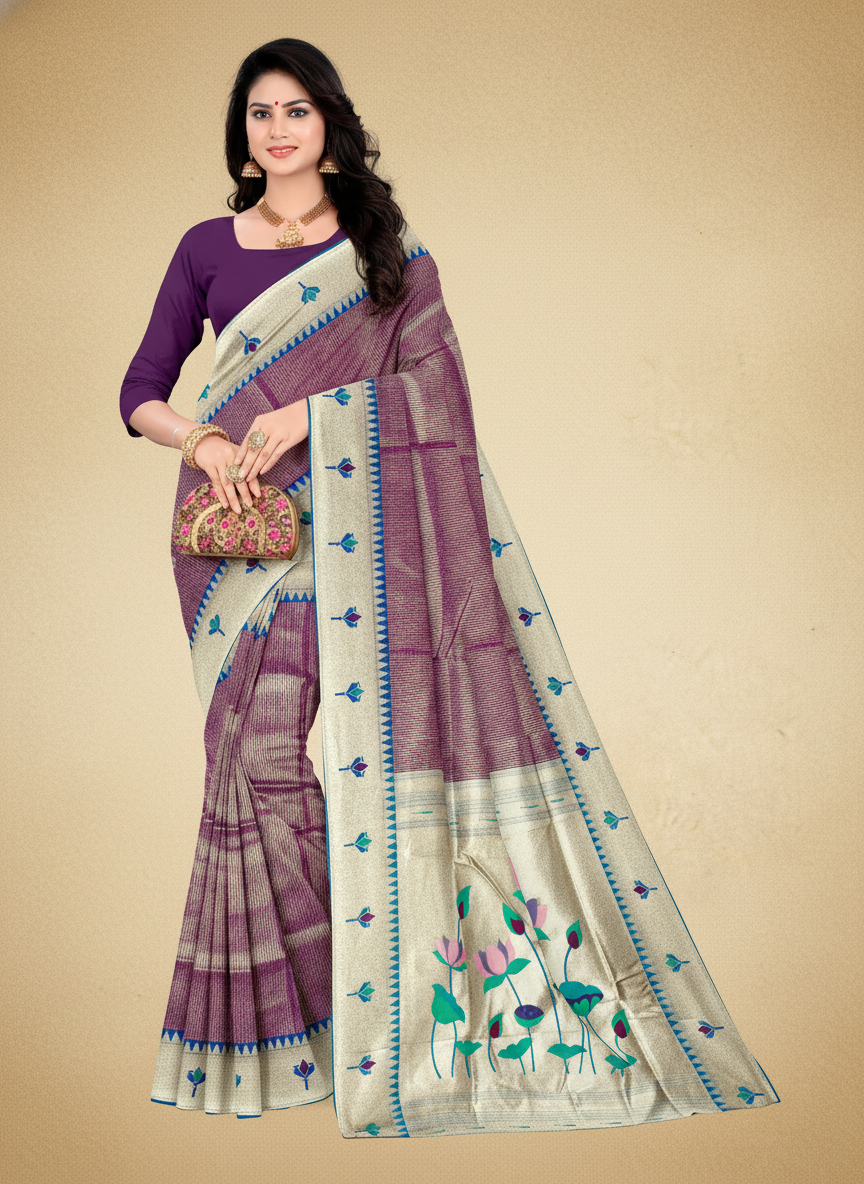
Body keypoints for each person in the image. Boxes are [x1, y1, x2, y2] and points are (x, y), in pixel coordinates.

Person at [122, 37, 779, 1138]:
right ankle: (323, 1018)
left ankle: (375, 1004)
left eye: (297, 111)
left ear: (330, 123)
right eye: (260, 114)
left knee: (275, 769)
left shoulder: (385, 251)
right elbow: (140, 388)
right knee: (247, 770)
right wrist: (204, 440)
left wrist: (316, 413)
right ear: (242, 134)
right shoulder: (205, 248)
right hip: (233, 540)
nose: (278, 130)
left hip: (350, 541)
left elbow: (441, 397)